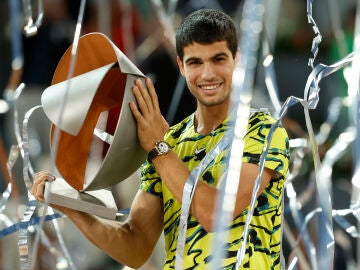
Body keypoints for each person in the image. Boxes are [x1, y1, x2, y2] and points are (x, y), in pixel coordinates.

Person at [32, 8, 290, 269]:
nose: (208, 73)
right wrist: (73, 208)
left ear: (237, 59)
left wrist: (159, 147)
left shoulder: (263, 130)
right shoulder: (168, 141)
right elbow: (135, 248)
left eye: (218, 59)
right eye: (195, 62)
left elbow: (214, 214)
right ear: (181, 66)